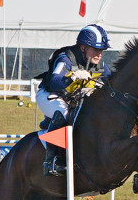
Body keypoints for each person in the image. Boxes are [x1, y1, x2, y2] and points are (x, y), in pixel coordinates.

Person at [36, 24, 112, 176]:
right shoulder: (66, 58)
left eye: (102, 50)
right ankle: (50, 162)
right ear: (83, 48)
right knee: (63, 112)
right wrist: (72, 78)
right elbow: (54, 81)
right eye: (95, 49)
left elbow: (112, 82)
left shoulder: (99, 64)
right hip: (49, 94)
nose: (99, 54)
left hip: (71, 98)